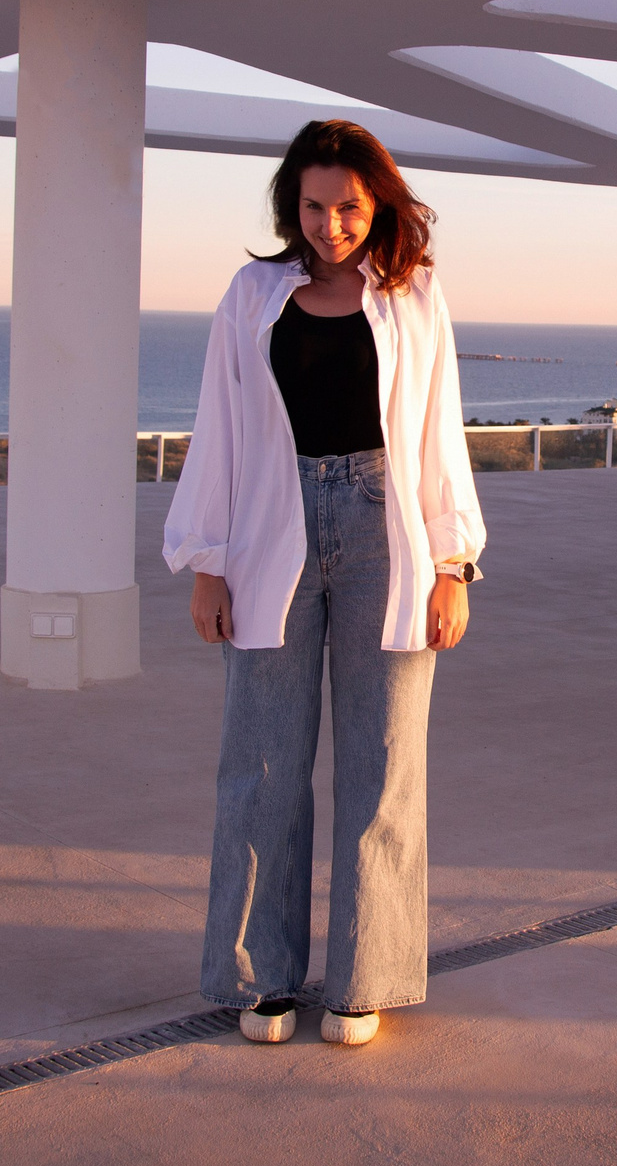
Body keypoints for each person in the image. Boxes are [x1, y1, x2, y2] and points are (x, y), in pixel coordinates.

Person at [164, 119, 485, 1048]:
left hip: (389, 531)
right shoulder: (253, 294)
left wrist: (454, 562)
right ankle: (260, 978)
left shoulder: (415, 295)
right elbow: (218, 427)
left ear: (376, 202)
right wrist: (208, 561)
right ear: (290, 206)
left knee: (382, 767)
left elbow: (440, 436)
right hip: (273, 531)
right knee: (260, 765)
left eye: (347, 206)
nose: (330, 224)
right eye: (313, 205)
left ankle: (364, 976)